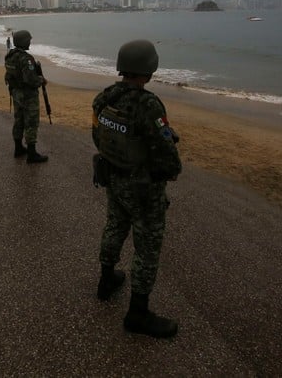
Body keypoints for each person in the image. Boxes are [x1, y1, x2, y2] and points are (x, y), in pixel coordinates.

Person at [91, 39, 182, 339]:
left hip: (113, 177)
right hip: (143, 189)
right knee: (147, 247)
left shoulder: (105, 98)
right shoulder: (149, 105)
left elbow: (98, 135)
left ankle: (106, 280)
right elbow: (167, 155)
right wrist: (168, 172)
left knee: (115, 226)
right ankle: (138, 313)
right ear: (149, 70)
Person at [4, 30, 48, 163]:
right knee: (31, 122)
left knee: (19, 120)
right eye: (28, 40)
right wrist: (41, 80)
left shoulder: (10, 56)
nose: (30, 42)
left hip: (16, 93)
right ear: (23, 41)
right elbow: (31, 80)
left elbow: (9, 75)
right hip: (27, 95)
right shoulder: (26, 58)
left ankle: (18, 148)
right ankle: (32, 153)